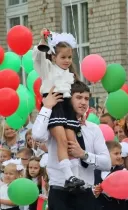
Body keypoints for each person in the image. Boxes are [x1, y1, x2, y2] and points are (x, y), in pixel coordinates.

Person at [32, 81, 111, 210]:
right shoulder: (56, 125)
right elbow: (37, 135)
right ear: (69, 100)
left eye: (86, 98)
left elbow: (107, 163)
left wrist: (84, 155)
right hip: (60, 192)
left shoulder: (93, 129)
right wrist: (46, 108)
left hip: (85, 193)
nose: (84, 102)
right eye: (78, 97)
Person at [33, 28, 84, 188]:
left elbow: (75, 94)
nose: (67, 60)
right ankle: (68, 176)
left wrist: (78, 111)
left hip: (67, 106)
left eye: (69, 57)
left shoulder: (70, 75)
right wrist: (43, 41)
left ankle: (75, 176)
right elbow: (39, 57)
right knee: (61, 140)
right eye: (63, 57)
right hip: (54, 103)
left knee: (71, 141)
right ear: (54, 57)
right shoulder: (48, 69)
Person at [94, 141, 128, 210]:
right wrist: (95, 191)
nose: (119, 156)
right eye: (116, 154)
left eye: (120, 153)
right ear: (105, 154)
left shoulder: (123, 171)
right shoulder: (95, 170)